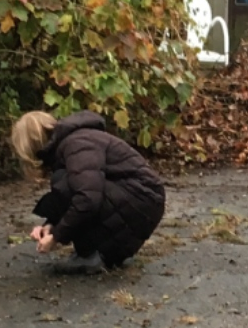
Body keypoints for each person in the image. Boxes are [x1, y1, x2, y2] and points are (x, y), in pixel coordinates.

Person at [10, 109, 166, 273]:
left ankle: (89, 255)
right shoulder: (73, 142)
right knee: (68, 184)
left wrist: (56, 236)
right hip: (142, 201)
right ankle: (109, 253)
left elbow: (88, 199)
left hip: (141, 200)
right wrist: (50, 226)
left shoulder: (77, 144)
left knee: (66, 184)